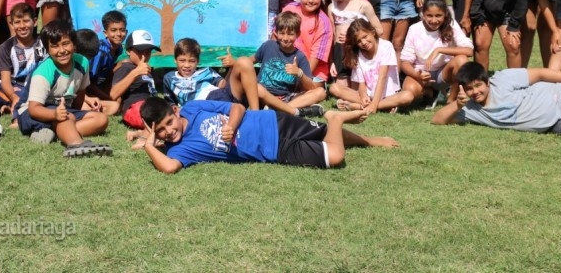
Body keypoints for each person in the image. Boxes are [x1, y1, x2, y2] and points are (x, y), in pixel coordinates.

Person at [139, 96, 399, 173]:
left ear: (175, 110)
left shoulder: (193, 108)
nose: (169, 131)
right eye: (160, 130)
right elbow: (170, 168)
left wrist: (231, 124)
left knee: (324, 133)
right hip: (273, 149)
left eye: (168, 122)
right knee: (335, 155)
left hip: (272, 120)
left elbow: (237, 107)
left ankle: (369, 140)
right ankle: (335, 117)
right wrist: (150, 145)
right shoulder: (178, 150)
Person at [432, 62, 561, 146]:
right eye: (469, 88)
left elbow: (541, 73)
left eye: (478, 85)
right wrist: (458, 105)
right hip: (558, 122)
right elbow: (437, 120)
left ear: (488, 81)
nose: (475, 92)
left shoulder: (504, 79)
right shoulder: (470, 110)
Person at [14, 19, 111, 156]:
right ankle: (76, 145)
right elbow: (33, 108)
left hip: (63, 111)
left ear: (74, 44)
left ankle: (58, 131)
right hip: (31, 113)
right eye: (54, 46)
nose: (62, 50)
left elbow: (80, 91)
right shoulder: (43, 73)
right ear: (47, 49)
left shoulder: (82, 62)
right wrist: (55, 114)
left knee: (101, 120)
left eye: (66, 44)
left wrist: (74, 112)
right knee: (66, 117)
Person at [400, 0, 473, 108]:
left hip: (442, 73)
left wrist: (439, 50)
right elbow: (405, 62)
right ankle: (429, 92)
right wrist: (417, 74)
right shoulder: (414, 29)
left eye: (438, 15)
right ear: (423, 14)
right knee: (410, 91)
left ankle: (451, 101)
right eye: (429, 15)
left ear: (445, 14)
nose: (434, 20)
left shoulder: (451, 24)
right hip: (421, 72)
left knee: (462, 60)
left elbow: (469, 51)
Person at [333, 18, 414, 113]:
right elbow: (361, 83)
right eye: (359, 41)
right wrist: (363, 96)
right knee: (334, 88)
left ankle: (359, 106)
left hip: (386, 95)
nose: (363, 42)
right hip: (368, 95)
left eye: (365, 36)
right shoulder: (358, 53)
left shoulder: (386, 46)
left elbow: (382, 77)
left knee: (408, 96)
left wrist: (374, 105)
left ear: (372, 32)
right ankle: (383, 106)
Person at [252, 11, 327, 114]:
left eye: (290, 34)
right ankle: (288, 110)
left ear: (298, 34)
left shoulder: (300, 57)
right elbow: (250, 61)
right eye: (282, 33)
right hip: (263, 94)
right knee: (257, 88)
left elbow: (310, 87)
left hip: (286, 97)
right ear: (276, 32)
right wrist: (234, 62)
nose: (286, 38)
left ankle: (281, 108)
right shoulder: (268, 46)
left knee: (320, 92)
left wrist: (299, 73)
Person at [327, 0, 382, 85]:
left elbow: (379, 30)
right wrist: (331, 61)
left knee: (358, 85)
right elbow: (331, 36)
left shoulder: (363, 5)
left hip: (358, 49)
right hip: (340, 50)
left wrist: (354, 32)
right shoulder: (332, 7)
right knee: (340, 90)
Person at [0, 3, 46, 123]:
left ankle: (11, 107)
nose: (22, 26)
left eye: (26, 21)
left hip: (39, 84)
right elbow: (5, 81)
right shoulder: (6, 47)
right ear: (12, 24)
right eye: (17, 22)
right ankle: (16, 115)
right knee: (19, 95)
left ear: (34, 22)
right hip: (15, 86)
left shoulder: (44, 42)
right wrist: (14, 97)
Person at [109, 30, 161, 138]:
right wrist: (136, 72)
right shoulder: (126, 68)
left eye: (148, 52)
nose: (144, 56)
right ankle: (143, 134)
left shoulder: (148, 69)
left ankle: (144, 134)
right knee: (159, 120)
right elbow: (113, 94)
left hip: (152, 105)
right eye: (140, 51)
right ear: (128, 51)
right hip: (135, 108)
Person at [282, 0, 334, 83]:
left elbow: (315, 57)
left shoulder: (324, 23)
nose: (310, 0)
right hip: (286, 67)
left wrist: (299, 78)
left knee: (318, 92)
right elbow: (276, 37)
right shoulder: (289, 8)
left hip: (313, 74)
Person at [86, 10, 128, 114]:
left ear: (126, 32)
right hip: (87, 89)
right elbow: (89, 84)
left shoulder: (119, 49)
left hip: (101, 85)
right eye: (113, 30)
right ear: (105, 33)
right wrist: (109, 98)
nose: (118, 34)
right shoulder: (100, 52)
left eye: (122, 30)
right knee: (115, 105)